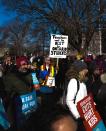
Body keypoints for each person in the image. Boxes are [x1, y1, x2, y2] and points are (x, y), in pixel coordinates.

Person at [3, 56, 39, 129]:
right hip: (19, 109)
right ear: (19, 65)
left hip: (31, 107)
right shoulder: (10, 77)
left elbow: (37, 87)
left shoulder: (31, 74)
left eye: (26, 64)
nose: (25, 66)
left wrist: (35, 73)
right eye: (23, 64)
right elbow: (7, 93)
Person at [65, 60, 88, 131]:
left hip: (82, 113)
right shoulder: (73, 82)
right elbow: (69, 101)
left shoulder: (82, 81)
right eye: (85, 69)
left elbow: (85, 98)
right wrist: (77, 115)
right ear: (80, 70)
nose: (86, 71)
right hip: (76, 115)